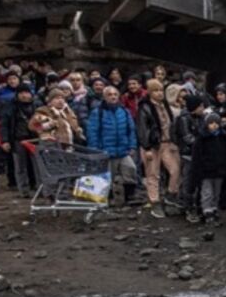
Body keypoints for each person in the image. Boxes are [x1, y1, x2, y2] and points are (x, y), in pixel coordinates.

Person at [86, 85, 139, 206]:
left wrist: (132, 146)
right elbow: (92, 132)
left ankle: (129, 197)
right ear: (104, 97)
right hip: (106, 151)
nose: (113, 97)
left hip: (123, 150)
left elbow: (130, 130)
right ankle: (108, 200)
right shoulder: (97, 112)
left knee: (130, 170)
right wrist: (96, 150)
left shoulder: (124, 111)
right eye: (109, 95)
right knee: (107, 177)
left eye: (115, 94)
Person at [135, 79, 181, 218]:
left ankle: (170, 195)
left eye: (161, 90)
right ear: (149, 92)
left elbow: (170, 123)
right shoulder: (144, 107)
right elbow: (142, 128)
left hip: (167, 142)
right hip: (153, 144)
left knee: (175, 170)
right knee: (153, 174)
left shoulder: (165, 105)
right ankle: (154, 201)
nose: (159, 93)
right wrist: (146, 147)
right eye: (155, 90)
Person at [190, 112, 226, 226]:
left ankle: (214, 209)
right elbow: (196, 156)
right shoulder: (201, 139)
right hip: (206, 171)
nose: (214, 125)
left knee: (217, 192)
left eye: (216, 123)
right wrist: (197, 170)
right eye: (211, 123)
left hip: (220, 170)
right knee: (207, 192)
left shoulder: (223, 137)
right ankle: (207, 212)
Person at [174, 93, 206, 222]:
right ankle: (188, 208)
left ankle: (194, 206)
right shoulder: (184, 119)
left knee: (197, 182)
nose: (203, 108)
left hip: (198, 154)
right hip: (188, 155)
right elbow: (187, 137)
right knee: (189, 183)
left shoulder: (200, 118)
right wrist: (202, 143)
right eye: (201, 106)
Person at [2, 83, 38, 197]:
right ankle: (24, 190)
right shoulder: (10, 107)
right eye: (21, 93)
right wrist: (5, 140)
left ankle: (40, 188)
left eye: (26, 92)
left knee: (38, 166)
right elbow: (4, 125)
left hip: (35, 139)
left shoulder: (36, 106)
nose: (24, 95)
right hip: (18, 140)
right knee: (20, 167)